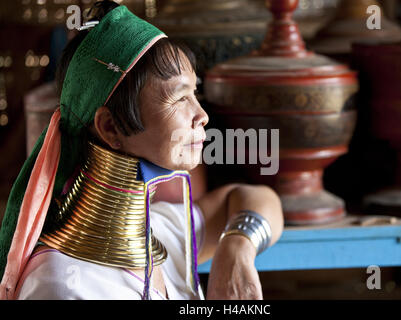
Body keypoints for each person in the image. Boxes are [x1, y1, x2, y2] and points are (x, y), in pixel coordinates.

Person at [0, 0, 283, 300]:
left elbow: (259, 199)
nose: (202, 115)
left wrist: (237, 245)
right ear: (110, 127)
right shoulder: (64, 286)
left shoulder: (158, 232)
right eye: (178, 98)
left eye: (194, 93)